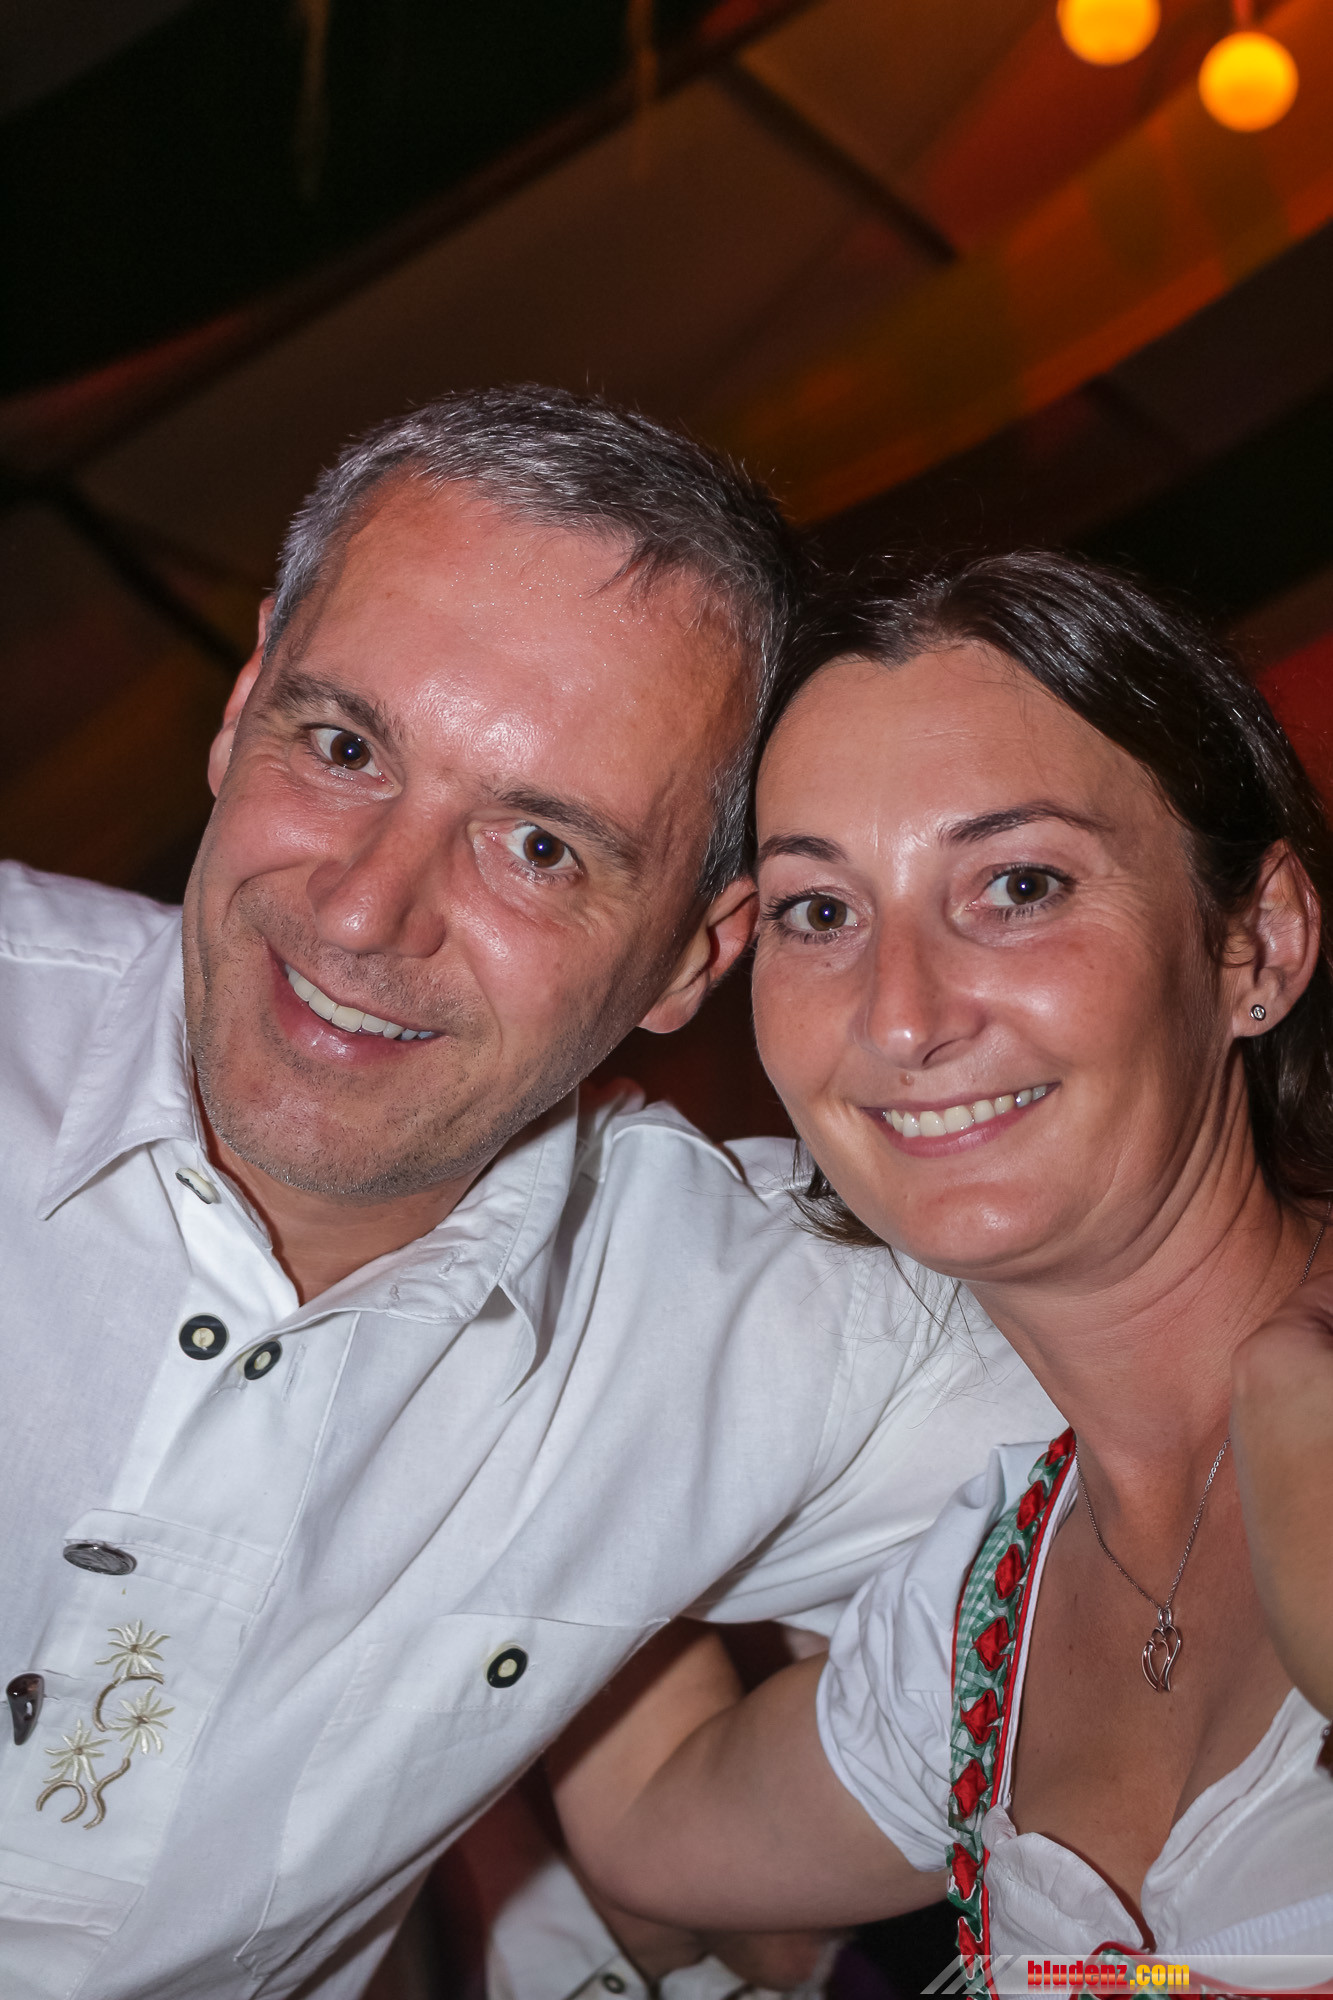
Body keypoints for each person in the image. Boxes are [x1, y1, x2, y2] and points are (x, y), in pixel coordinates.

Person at [0, 392, 1057, 2000]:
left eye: (540, 848)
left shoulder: (774, 1336)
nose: (366, 911)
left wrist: (664, 1858)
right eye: (342, 748)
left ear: (693, 956)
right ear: (242, 701)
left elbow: (1185, 1534)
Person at [553, 551, 1333, 1994]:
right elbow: (658, 1828)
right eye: (819, 912)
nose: (902, 1018)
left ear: (1256, 944)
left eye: (1018, 886)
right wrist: (533, 1286)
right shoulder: (989, 1605)